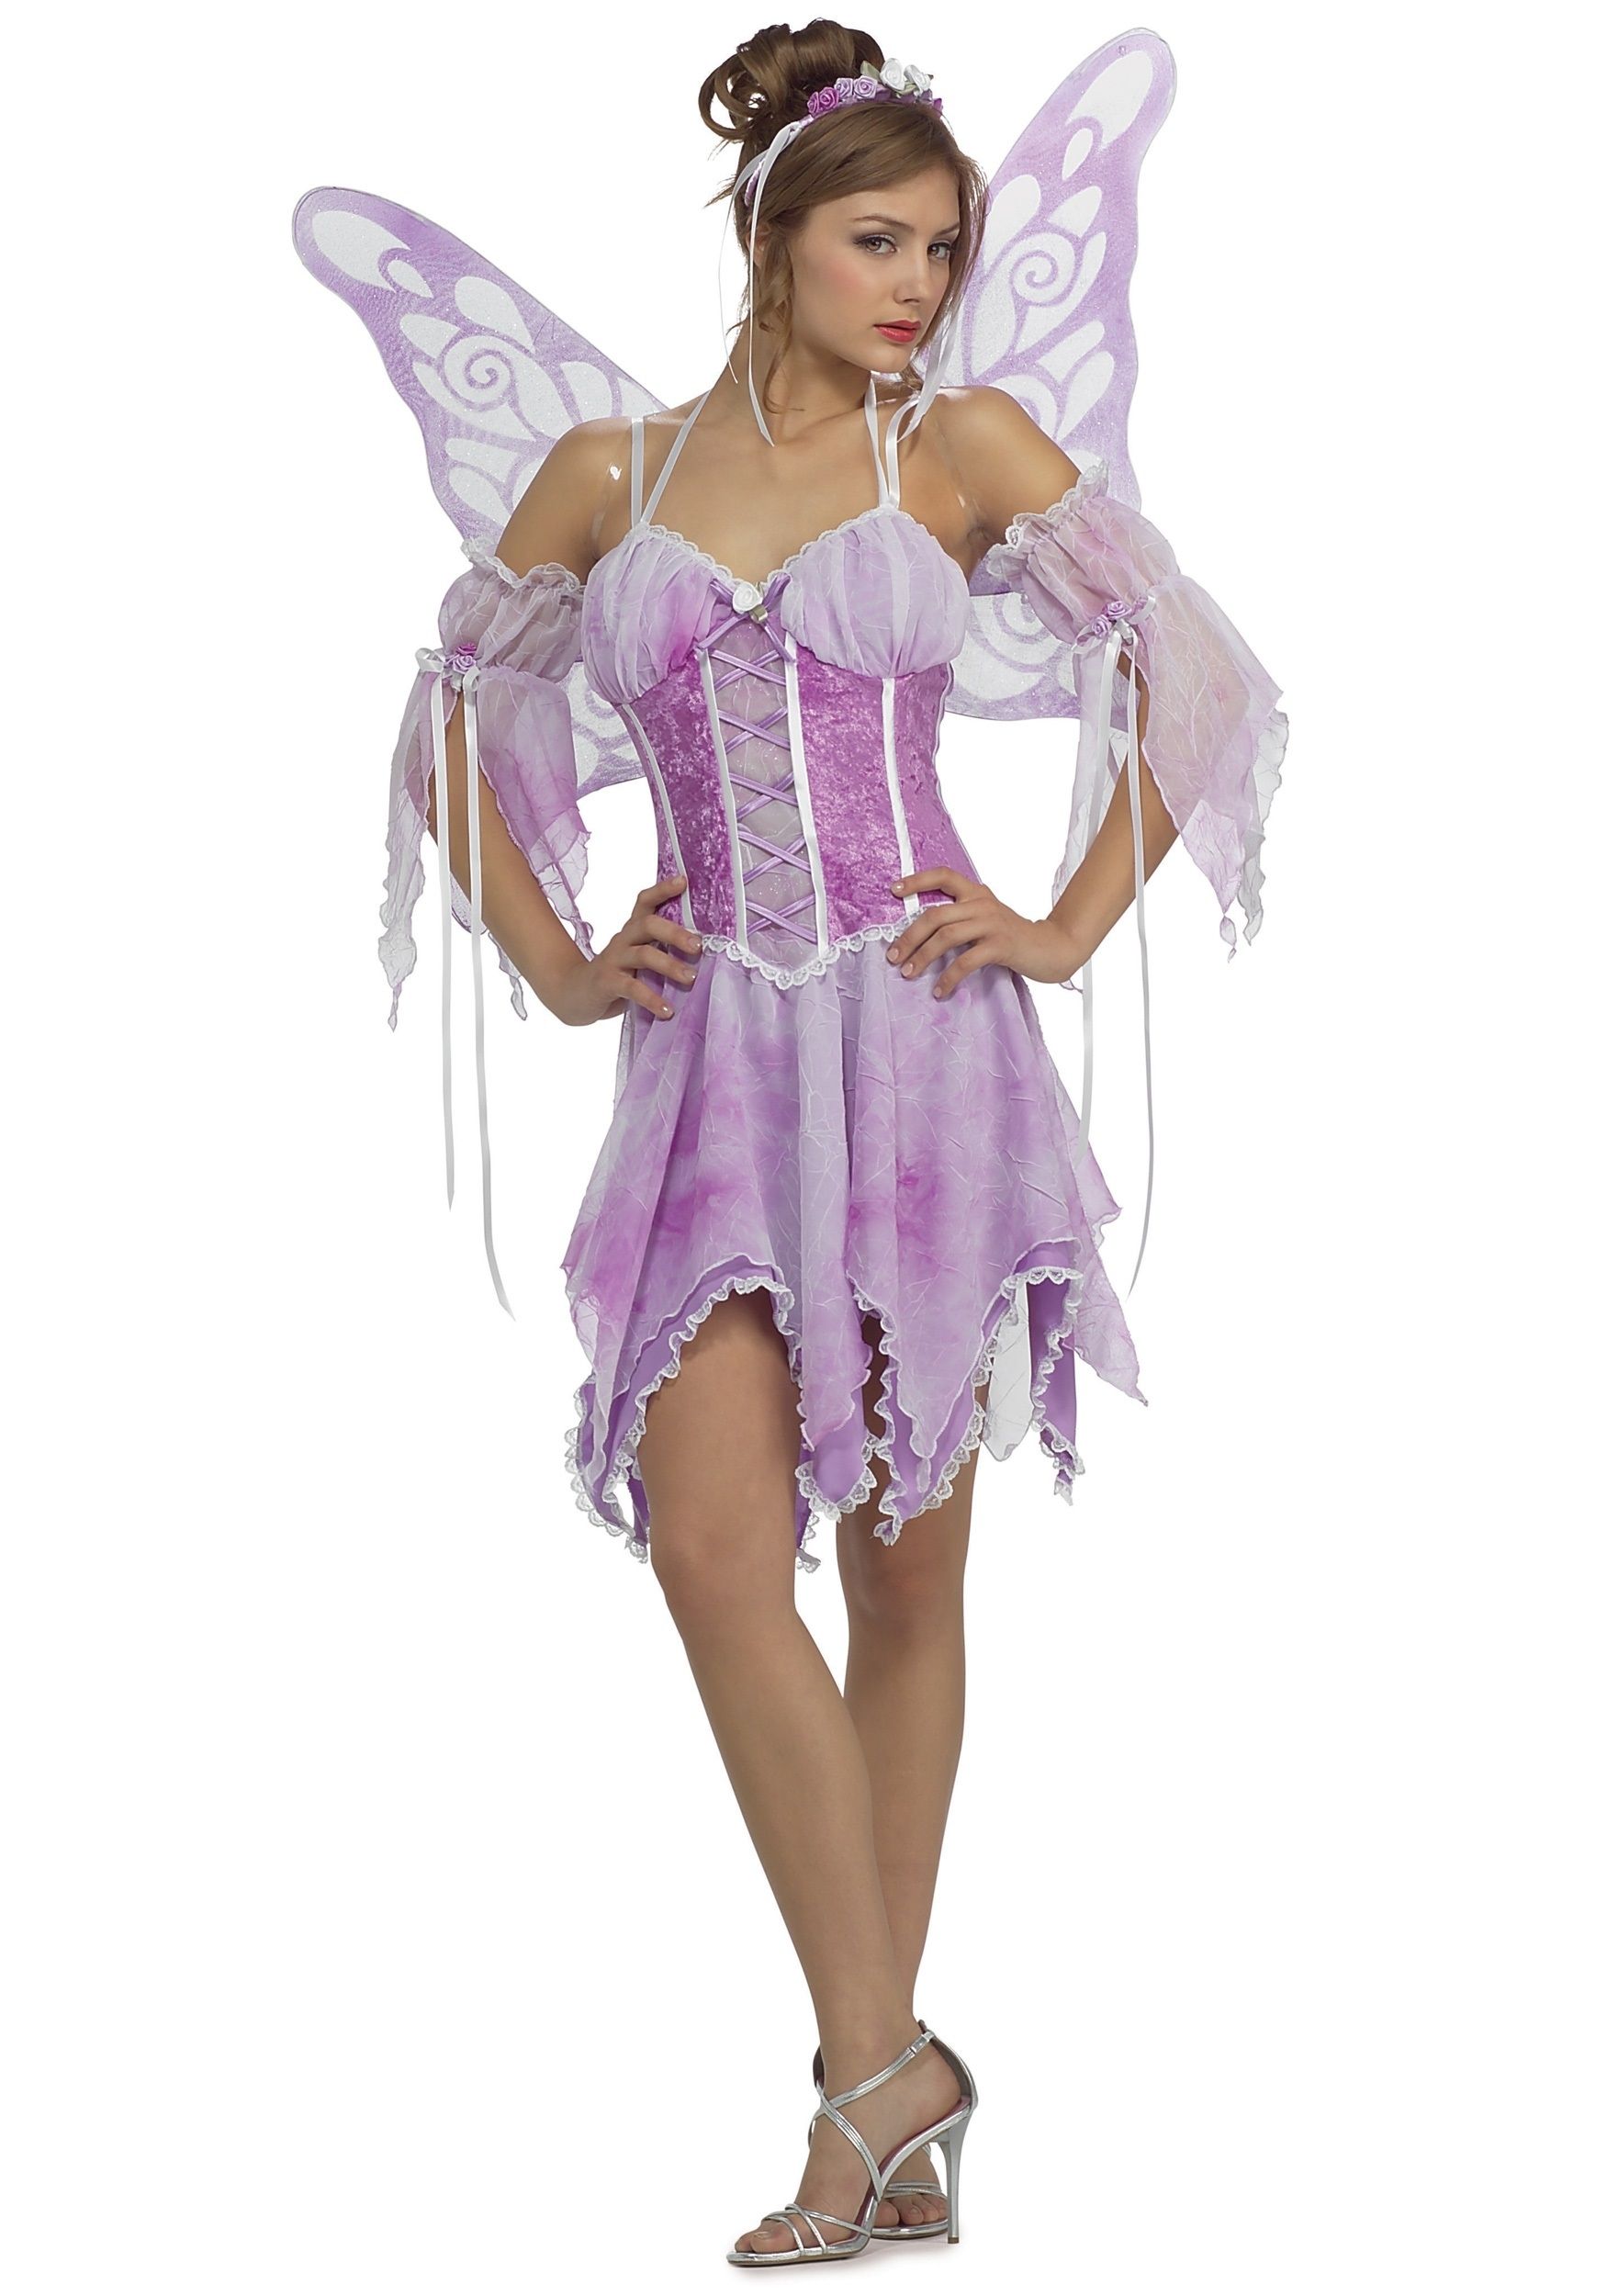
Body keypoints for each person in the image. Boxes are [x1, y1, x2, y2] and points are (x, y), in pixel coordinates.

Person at [368, 23, 1287, 2266]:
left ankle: (855, 2123)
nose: (918, 286)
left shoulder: (953, 445)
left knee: (897, 1571)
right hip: (707, 1069)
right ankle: (894, 2069)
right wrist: (564, 964)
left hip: (920, 1057)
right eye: (879, 241)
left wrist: (1057, 922)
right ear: (770, 235)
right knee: (712, 1551)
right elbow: (448, 726)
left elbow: (1199, 676)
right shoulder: (611, 472)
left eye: (943, 250)